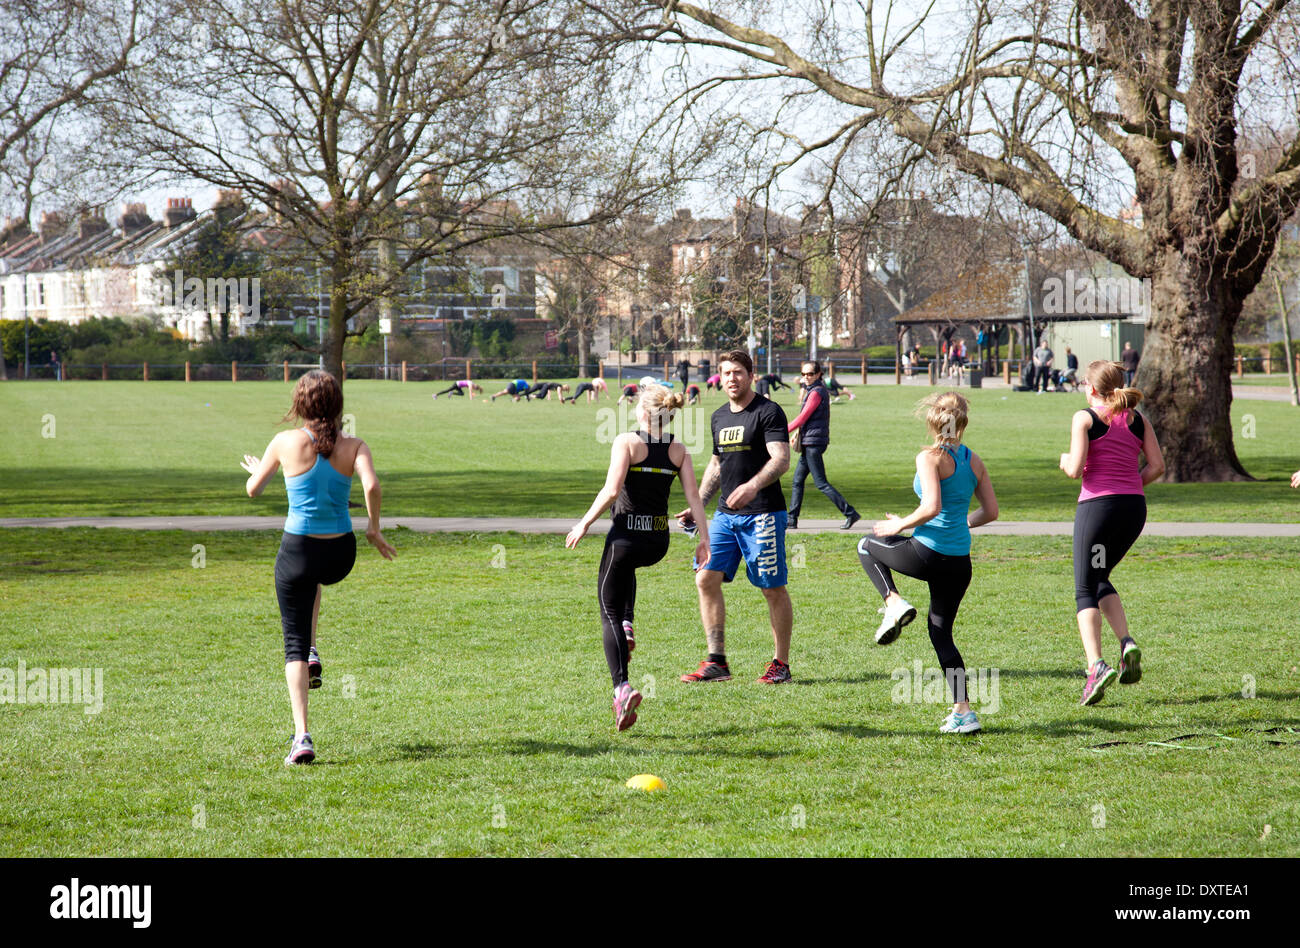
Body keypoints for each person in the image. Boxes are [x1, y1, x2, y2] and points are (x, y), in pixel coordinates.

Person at [240, 370, 396, 766]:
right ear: (337, 406)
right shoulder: (355, 445)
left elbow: (253, 490)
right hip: (340, 555)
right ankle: (312, 648)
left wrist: (260, 467)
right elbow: (373, 486)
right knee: (314, 583)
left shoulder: (284, 441)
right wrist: (374, 531)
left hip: (298, 552)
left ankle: (303, 736)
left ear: (300, 405)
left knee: (291, 642)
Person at [566, 387, 711, 731]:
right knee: (627, 573)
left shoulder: (626, 442)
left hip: (625, 539)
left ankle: (622, 688)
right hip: (657, 542)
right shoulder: (678, 450)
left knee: (608, 612)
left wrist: (584, 522)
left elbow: (612, 490)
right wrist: (704, 540)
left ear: (643, 413)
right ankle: (628, 623)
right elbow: (694, 495)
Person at [856, 392, 999, 734]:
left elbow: (932, 506)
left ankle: (893, 603)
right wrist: (959, 524)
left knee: (866, 546)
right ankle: (963, 713)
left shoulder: (929, 457)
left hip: (929, 554)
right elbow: (991, 512)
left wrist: (898, 524)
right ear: (962, 421)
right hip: (959, 563)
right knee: (940, 633)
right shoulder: (973, 460)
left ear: (932, 420)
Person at [677, 350, 794, 685]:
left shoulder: (768, 412)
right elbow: (717, 465)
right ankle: (717, 662)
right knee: (705, 579)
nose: (732, 378)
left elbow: (781, 459)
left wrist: (753, 486)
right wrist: (697, 503)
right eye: (726, 373)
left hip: (764, 515)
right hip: (725, 518)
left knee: (772, 589)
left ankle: (780, 665)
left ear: (751, 374)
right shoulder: (718, 417)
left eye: (738, 372)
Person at [1059, 360, 1165, 706]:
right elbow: (1158, 467)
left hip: (1098, 510)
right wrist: (1132, 485)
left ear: (1090, 388)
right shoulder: (1138, 419)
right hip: (1133, 510)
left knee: (1083, 588)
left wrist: (1062, 460)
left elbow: (1075, 470)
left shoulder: (1085, 418)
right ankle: (1126, 643)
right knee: (1099, 573)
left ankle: (1095, 666)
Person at [787, 360, 860, 530]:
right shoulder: (813, 390)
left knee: (821, 483)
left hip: (814, 443)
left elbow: (802, 418)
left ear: (819, 374)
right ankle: (792, 519)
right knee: (797, 481)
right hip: (810, 442)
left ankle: (850, 513)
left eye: (810, 374)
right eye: (803, 374)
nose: (806, 377)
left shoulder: (817, 392)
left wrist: (782, 431)